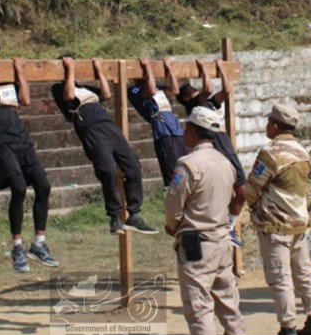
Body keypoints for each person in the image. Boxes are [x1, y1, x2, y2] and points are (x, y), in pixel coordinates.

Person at [166, 106, 250, 335]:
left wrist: (173, 226)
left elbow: (174, 206)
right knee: (228, 299)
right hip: (221, 238)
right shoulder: (226, 162)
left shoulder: (187, 165)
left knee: (198, 307)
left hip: (196, 242)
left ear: (192, 131)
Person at [0, 39, 58, 272]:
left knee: (43, 185)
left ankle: (39, 243)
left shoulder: (6, 78)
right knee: (18, 187)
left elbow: (25, 100)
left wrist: (19, 72)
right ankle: (17, 246)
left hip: (19, 136)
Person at [245, 103, 311, 335]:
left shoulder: (270, 154)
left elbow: (252, 189)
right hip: (298, 222)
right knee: (304, 273)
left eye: (269, 122)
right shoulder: (303, 151)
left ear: (276, 125)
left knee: (280, 279)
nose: (267, 125)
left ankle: (288, 330)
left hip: (275, 224)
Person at [52, 57, 156, 235]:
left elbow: (106, 95)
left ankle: (134, 214)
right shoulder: (59, 88)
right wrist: (69, 69)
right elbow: (69, 96)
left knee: (133, 166)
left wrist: (99, 70)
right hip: (90, 127)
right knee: (107, 170)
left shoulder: (86, 88)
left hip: (108, 125)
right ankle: (115, 217)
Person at [166, 58, 246, 246]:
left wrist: (221, 70)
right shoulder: (194, 107)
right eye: (194, 91)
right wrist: (205, 69)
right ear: (188, 98)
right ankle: (223, 227)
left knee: (241, 192)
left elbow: (226, 91)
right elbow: (208, 89)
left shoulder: (209, 105)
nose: (199, 91)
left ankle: (230, 227)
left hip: (227, 148)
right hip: (215, 150)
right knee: (226, 191)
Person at [127, 58, 187, 187]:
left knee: (185, 164)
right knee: (173, 170)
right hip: (163, 131)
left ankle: (186, 193)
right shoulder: (133, 90)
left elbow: (175, 90)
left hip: (175, 129)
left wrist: (169, 68)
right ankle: (175, 192)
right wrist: (148, 67)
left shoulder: (158, 87)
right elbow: (151, 90)